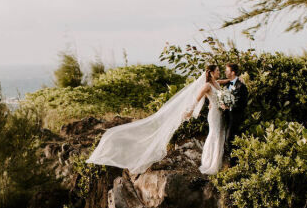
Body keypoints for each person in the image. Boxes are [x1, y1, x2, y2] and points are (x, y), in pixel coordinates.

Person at [86, 65, 227, 176]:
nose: (219, 72)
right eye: (218, 70)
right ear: (212, 72)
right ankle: (210, 163)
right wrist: (190, 110)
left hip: (218, 112)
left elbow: (220, 84)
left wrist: (233, 81)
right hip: (213, 113)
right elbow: (197, 98)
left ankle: (215, 162)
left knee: (218, 135)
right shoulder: (207, 85)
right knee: (213, 135)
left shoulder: (215, 83)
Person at [222, 62, 248, 162]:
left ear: (232, 72)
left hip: (236, 118)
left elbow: (243, 104)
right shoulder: (228, 84)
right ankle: (232, 161)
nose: (225, 72)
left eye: (227, 70)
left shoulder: (241, 86)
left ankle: (234, 163)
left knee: (230, 139)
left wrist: (228, 107)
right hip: (228, 117)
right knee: (229, 140)